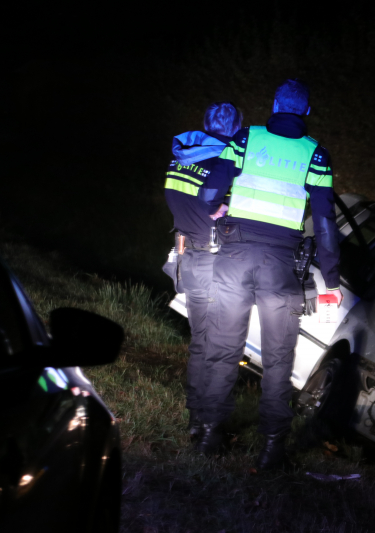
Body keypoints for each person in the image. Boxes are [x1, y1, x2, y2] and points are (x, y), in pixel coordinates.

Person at [196, 79, 342, 468]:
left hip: (234, 256)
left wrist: (217, 209)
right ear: (306, 112)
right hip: (281, 267)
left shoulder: (245, 139)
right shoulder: (317, 156)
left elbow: (210, 193)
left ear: (275, 104)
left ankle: (210, 434)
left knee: (224, 347)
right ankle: (272, 449)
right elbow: (326, 221)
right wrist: (332, 278)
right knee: (279, 360)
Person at [163, 102, 242, 442]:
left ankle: (196, 416)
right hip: (214, 262)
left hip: (188, 258)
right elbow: (220, 209)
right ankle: (208, 425)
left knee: (201, 343)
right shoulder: (223, 162)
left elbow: (180, 200)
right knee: (221, 347)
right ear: (236, 128)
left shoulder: (181, 156)